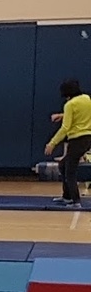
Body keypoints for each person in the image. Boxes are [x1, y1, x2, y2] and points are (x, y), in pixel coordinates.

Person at [45, 79, 91, 207]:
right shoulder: (87, 98)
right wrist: (63, 115)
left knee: (70, 170)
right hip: (87, 139)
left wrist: (52, 143)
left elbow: (65, 128)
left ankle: (75, 201)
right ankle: (67, 197)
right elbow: (80, 113)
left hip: (77, 140)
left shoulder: (70, 104)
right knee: (63, 165)